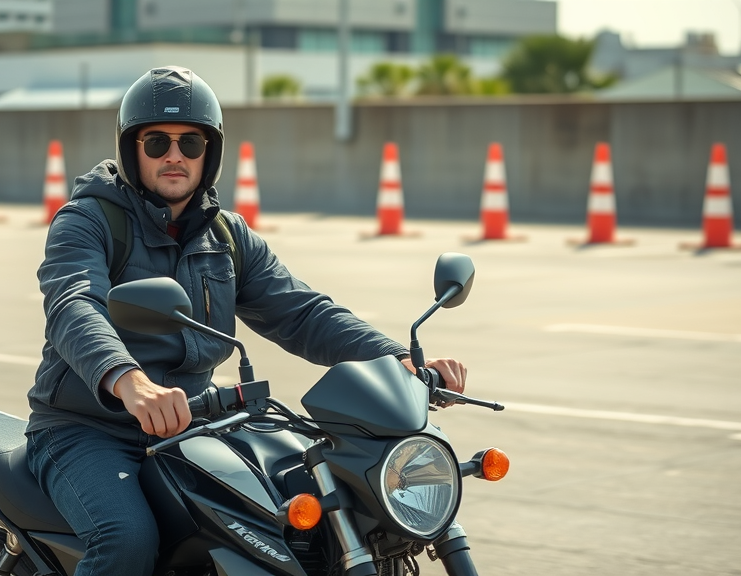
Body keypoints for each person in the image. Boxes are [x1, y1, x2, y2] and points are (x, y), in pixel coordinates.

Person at [25, 65, 468, 576]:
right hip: (87, 429)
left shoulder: (228, 237)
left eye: (191, 143)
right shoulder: (87, 221)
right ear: (132, 150)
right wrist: (130, 383)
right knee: (127, 540)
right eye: (157, 143)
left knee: (301, 511)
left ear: (209, 154)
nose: (175, 155)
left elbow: (303, 313)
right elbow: (74, 305)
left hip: (194, 424)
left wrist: (397, 358)